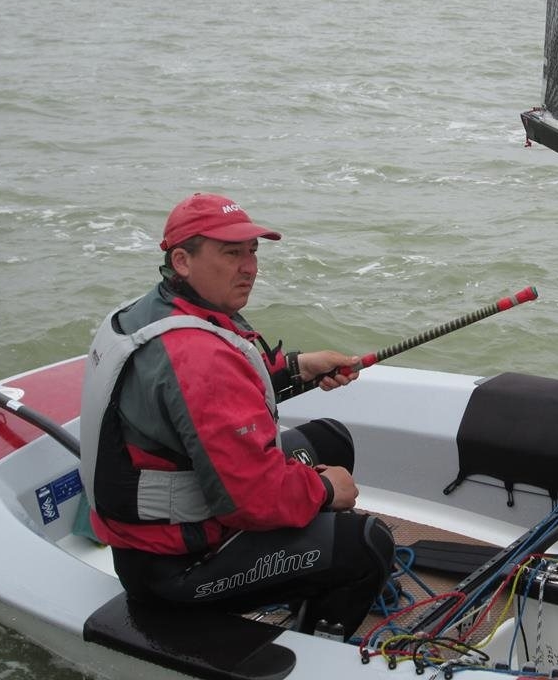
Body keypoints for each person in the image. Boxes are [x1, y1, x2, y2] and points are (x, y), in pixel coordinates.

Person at [79, 192, 394, 639]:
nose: (250, 267)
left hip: (152, 538)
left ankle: (305, 578)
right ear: (182, 261)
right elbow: (253, 500)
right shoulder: (199, 358)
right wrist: (326, 490)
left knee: (329, 440)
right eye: (232, 254)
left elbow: (194, 400)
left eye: (252, 251)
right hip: (177, 567)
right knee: (367, 544)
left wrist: (295, 368)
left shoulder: (149, 314)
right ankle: (318, 643)